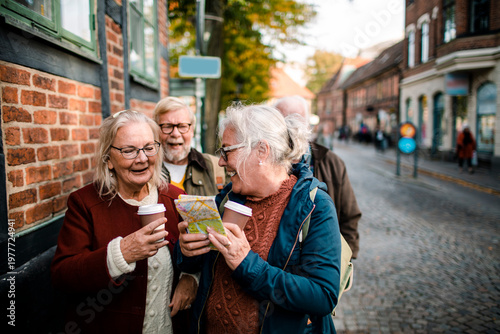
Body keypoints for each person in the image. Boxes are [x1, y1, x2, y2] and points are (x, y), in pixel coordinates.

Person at [175, 103, 342, 333]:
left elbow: (322, 295)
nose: (221, 161)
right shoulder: (228, 197)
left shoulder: (315, 206)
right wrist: (186, 251)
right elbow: (198, 264)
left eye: (227, 151)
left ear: (262, 151)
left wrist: (247, 265)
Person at [51, 110, 197, 333]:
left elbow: (196, 251)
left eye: (149, 148)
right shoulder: (84, 203)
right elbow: (64, 276)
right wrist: (122, 253)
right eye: (129, 150)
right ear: (108, 160)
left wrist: (190, 278)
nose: (142, 158)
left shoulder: (176, 198)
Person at [274, 95, 362, 259]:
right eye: (284, 121)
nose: (292, 128)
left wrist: (343, 260)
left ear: (307, 125)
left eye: (296, 120)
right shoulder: (265, 162)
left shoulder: (332, 163)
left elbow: (349, 216)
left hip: (321, 258)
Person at [153, 97, 226, 195]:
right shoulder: (147, 170)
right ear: (156, 131)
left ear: (192, 131)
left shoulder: (216, 167)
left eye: (182, 126)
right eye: (167, 126)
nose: (175, 134)